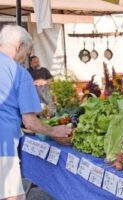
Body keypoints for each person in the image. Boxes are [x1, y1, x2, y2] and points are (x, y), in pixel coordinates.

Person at [0, 25, 72, 200]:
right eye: (27, 51)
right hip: (4, 145)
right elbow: (30, 122)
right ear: (19, 46)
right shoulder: (19, 73)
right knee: (12, 196)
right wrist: (54, 131)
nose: (26, 57)